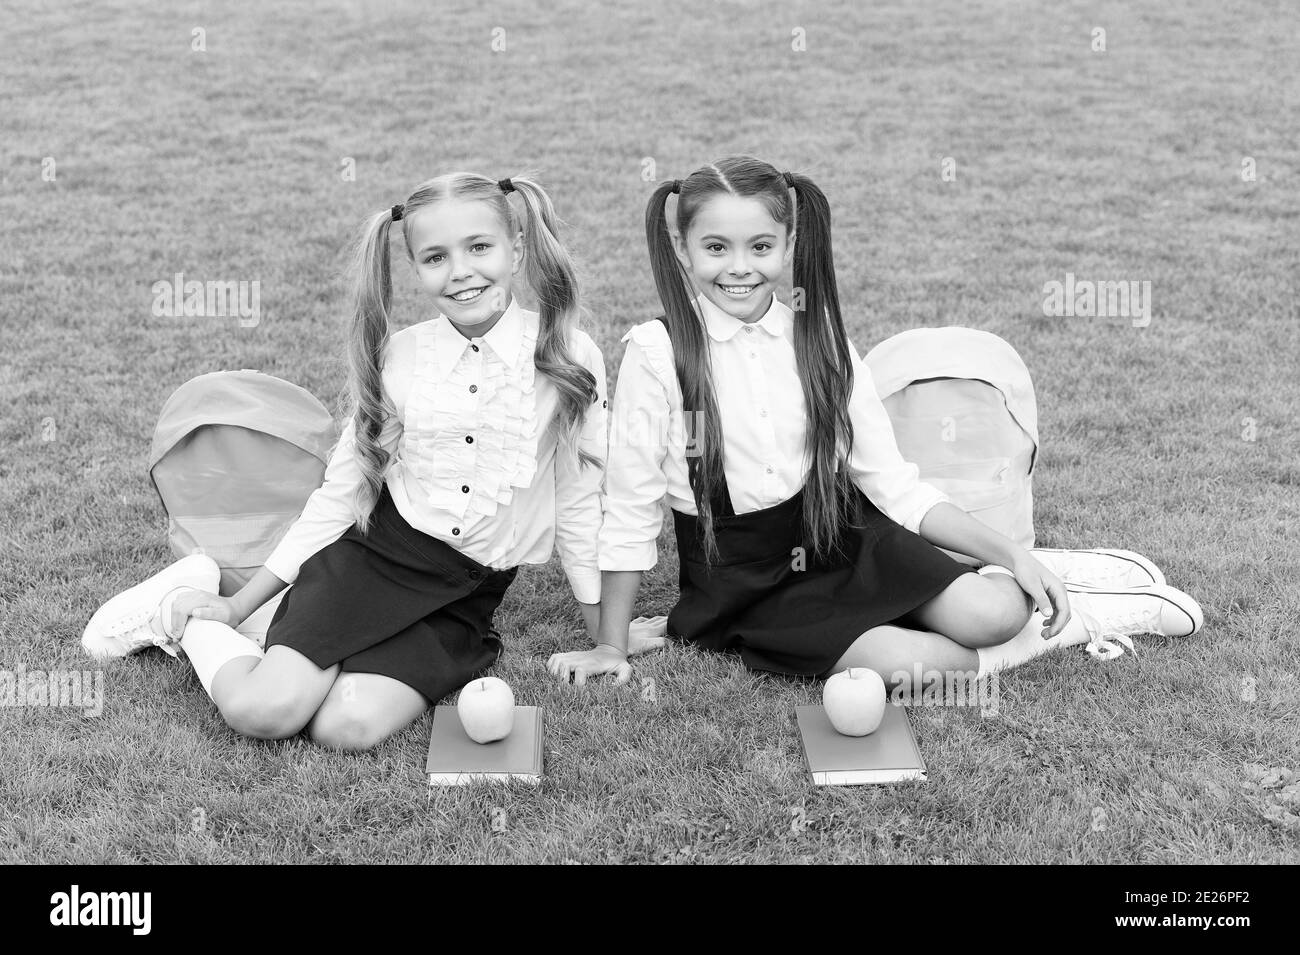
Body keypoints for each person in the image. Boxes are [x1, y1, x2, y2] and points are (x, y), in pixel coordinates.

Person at [547, 155, 1202, 689]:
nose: (738, 265)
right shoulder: (656, 353)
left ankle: (1050, 571)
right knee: (900, 664)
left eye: (760, 245)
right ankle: (1089, 617)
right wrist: (611, 642)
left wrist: (1009, 554)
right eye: (716, 246)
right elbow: (630, 508)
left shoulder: (819, 337)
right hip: (745, 584)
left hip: (842, 536)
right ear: (683, 249)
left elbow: (892, 484)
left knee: (993, 611)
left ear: (788, 245)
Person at [124, 173, 608, 750]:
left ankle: (287, 642)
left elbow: (580, 498)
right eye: (435, 257)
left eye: (479, 247)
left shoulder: (566, 354)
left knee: (343, 728)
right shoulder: (402, 356)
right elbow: (342, 492)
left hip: (466, 591)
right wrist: (233, 605)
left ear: (517, 248)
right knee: (266, 712)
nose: (460, 271)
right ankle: (188, 616)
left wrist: (607, 640)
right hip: (375, 559)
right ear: (415, 268)